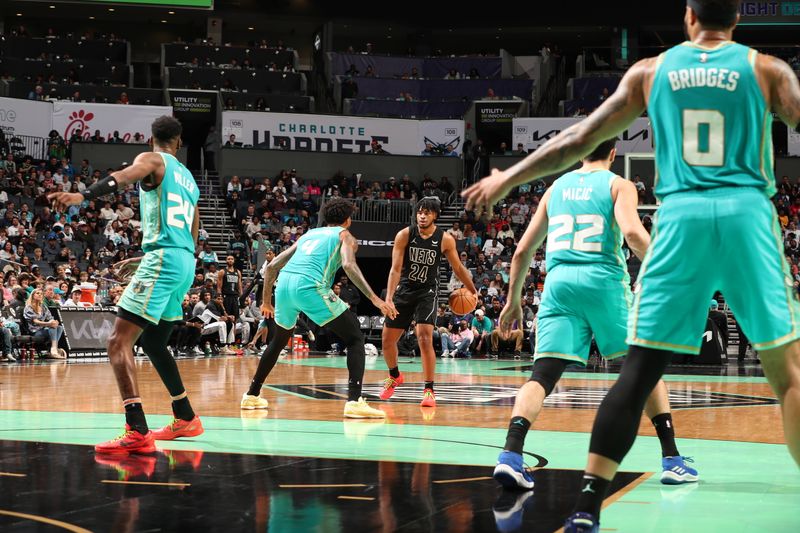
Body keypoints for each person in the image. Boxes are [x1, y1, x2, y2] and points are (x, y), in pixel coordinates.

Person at [463, 2, 800, 530]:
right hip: (746, 216)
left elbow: (573, 140)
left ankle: (586, 507)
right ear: (736, 21)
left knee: (637, 372)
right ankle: (671, 459)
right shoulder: (766, 69)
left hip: (678, 221)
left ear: (688, 17)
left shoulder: (651, 71)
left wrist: (507, 180)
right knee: (790, 378)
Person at [492, 139, 697, 494]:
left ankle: (510, 454)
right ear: (614, 154)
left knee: (542, 374)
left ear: (579, 153)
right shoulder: (619, 184)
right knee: (643, 366)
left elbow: (523, 249)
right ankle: (671, 459)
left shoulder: (555, 188)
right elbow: (632, 233)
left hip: (557, 286)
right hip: (602, 283)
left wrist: (512, 301)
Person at [49, 115, 204, 454]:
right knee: (153, 342)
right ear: (179, 142)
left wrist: (82, 196)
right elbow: (191, 229)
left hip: (163, 261)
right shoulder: (190, 179)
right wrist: (152, 259)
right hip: (183, 261)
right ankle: (185, 416)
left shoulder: (151, 159)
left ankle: (136, 429)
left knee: (118, 341)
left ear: (153, 140)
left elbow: (122, 177)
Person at [241, 198, 396, 417]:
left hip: (284, 286)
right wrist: (375, 299)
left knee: (277, 342)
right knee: (354, 338)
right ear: (348, 220)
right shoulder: (345, 236)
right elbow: (349, 265)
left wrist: (267, 301)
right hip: (309, 286)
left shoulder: (309, 234)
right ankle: (354, 401)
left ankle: (251, 395)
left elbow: (273, 266)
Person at [379, 197, 477, 407]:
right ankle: (394, 375)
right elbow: (395, 269)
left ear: (435, 215)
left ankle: (429, 390)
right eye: (419, 212)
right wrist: (388, 297)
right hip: (404, 289)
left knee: (424, 337)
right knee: (386, 341)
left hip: (428, 291)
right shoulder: (404, 235)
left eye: (427, 212)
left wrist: (473, 290)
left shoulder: (445, 239)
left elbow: (458, 269)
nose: (422, 216)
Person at [23, 288, 65, 359]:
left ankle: (52, 349)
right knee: (52, 327)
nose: (40, 295)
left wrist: (54, 322)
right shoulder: (28, 307)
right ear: (33, 295)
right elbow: (36, 321)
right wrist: (49, 324)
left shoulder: (43, 307)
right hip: (35, 332)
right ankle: (54, 349)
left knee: (59, 327)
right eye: (37, 293)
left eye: (41, 294)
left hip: (44, 330)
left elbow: (50, 317)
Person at [217, 254, 242, 325]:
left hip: (235, 297)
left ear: (234, 261)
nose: (230, 260)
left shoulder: (238, 272)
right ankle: (225, 335)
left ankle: (233, 336)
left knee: (235, 319)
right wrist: (219, 297)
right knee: (226, 317)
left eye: (232, 259)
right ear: (226, 260)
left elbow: (240, 286)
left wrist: (241, 297)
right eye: (228, 259)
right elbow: (219, 287)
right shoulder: (222, 271)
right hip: (226, 296)